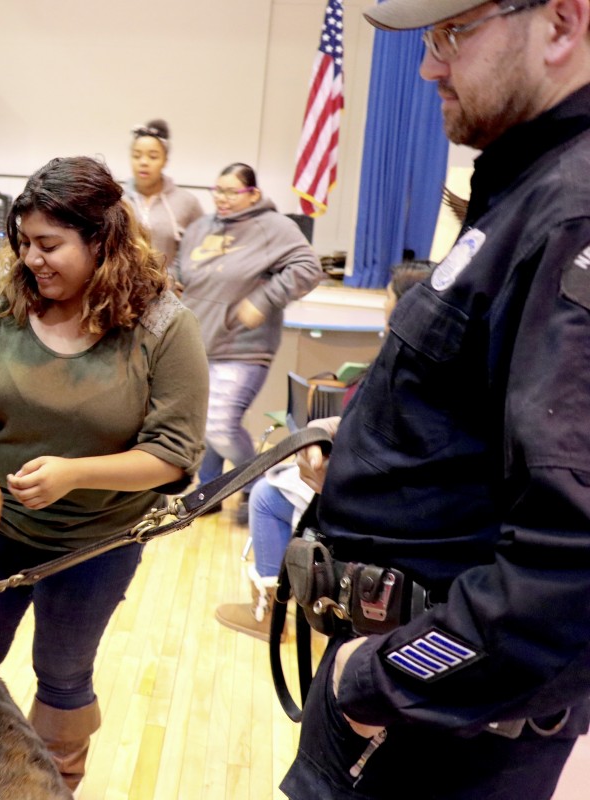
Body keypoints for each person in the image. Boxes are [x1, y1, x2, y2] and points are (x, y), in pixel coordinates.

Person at [280, 1, 590, 797]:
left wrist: (377, 678)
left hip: (443, 722)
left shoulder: (571, 215)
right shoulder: (527, 193)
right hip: (413, 702)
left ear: (561, 22)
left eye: (454, 32)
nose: (429, 66)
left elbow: (570, 564)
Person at [0, 156, 209, 792]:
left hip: (96, 544)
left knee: (62, 674)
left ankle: (49, 785)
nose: (32, 258)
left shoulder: (164, 325)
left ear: (101, 242)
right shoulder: (6, 303)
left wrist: (74, 475)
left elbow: (173, 454)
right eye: (24, 242)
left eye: (50, 245)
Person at [214, 259, 436, 642]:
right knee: (273, 482)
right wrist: (320, 431)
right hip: (367, 493)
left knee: (266, 497)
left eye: (386, 295)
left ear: (402, 306)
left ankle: (271, 615)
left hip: (375, 511)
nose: (383, 303)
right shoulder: (404, 364)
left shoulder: (406, 373)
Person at [173, 162, 323, 516]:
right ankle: (209, 492)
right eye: (218, 191)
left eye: (231, 192)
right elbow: (180, 270)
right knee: (203, 422)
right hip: (198, 342)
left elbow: (309, 268)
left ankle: (258, 481)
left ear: (253, 193)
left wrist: (263, 299)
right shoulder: (200, 228)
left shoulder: (274, 227)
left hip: (244, 346)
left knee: (220, 423)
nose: (222, 199)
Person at [121, 119, 203, 269]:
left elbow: (199, 250)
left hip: (167, 288)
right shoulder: (116, 199)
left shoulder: (187, 202)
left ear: (165, 160)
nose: (144, 162)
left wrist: (175, 279)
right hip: (120, 287)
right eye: (137, 155)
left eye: (153, 156)